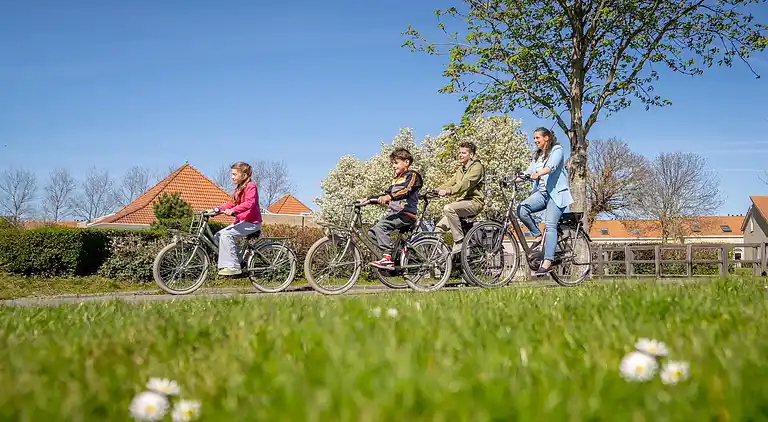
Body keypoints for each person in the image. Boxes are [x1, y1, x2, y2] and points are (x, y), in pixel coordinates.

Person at [516, 127, 573, 275]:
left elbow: (551, 167)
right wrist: (514, 179)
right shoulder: (538, 156)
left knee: (550, 224)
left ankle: (548, 261)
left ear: (546, 137)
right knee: (521, 209)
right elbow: (529, 171)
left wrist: (539, 173)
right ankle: (537, 234)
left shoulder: (557, 150)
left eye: (537, 138)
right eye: (534, 138)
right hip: (542, 194)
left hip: (556, 194)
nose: (535, 140)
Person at [364, 147, 423, 270]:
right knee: (372, 233)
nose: (393, 166)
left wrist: (389, 197)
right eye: (392, 163)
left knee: (381, 227)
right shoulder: (396, 179)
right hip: (395, 213)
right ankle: (397, 255)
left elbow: (406, 191)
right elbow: (385, 195)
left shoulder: (412, 175)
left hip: (406, 213)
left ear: (406, 162)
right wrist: (367, 199)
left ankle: (387, 258)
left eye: (396, 163)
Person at [207, 161, 262, 276]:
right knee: (218, 236)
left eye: (234, 174)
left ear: (244, 175)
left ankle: (232, 266)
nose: (232, 177)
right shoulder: (238, 189)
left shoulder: (251, 186)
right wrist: (215, 210)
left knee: (226, 235)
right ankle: (239, 259)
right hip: (241, 222)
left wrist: (234, 210)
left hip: (251, 222)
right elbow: (231, 203)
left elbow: (250, 203)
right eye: (232, 174)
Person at [436, 141, 485, 254]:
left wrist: (449, 191)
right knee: (438, 230)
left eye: (463, 153)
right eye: (459, 153)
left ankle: (459, 242)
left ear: (471, 155)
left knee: (448, 208)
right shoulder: (460, 170)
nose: (460, 155)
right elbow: (450, 183)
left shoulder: (477, 167)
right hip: (461, 204)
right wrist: (433, 191)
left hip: (474, 203)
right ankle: (445, 258)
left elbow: (465, 184)